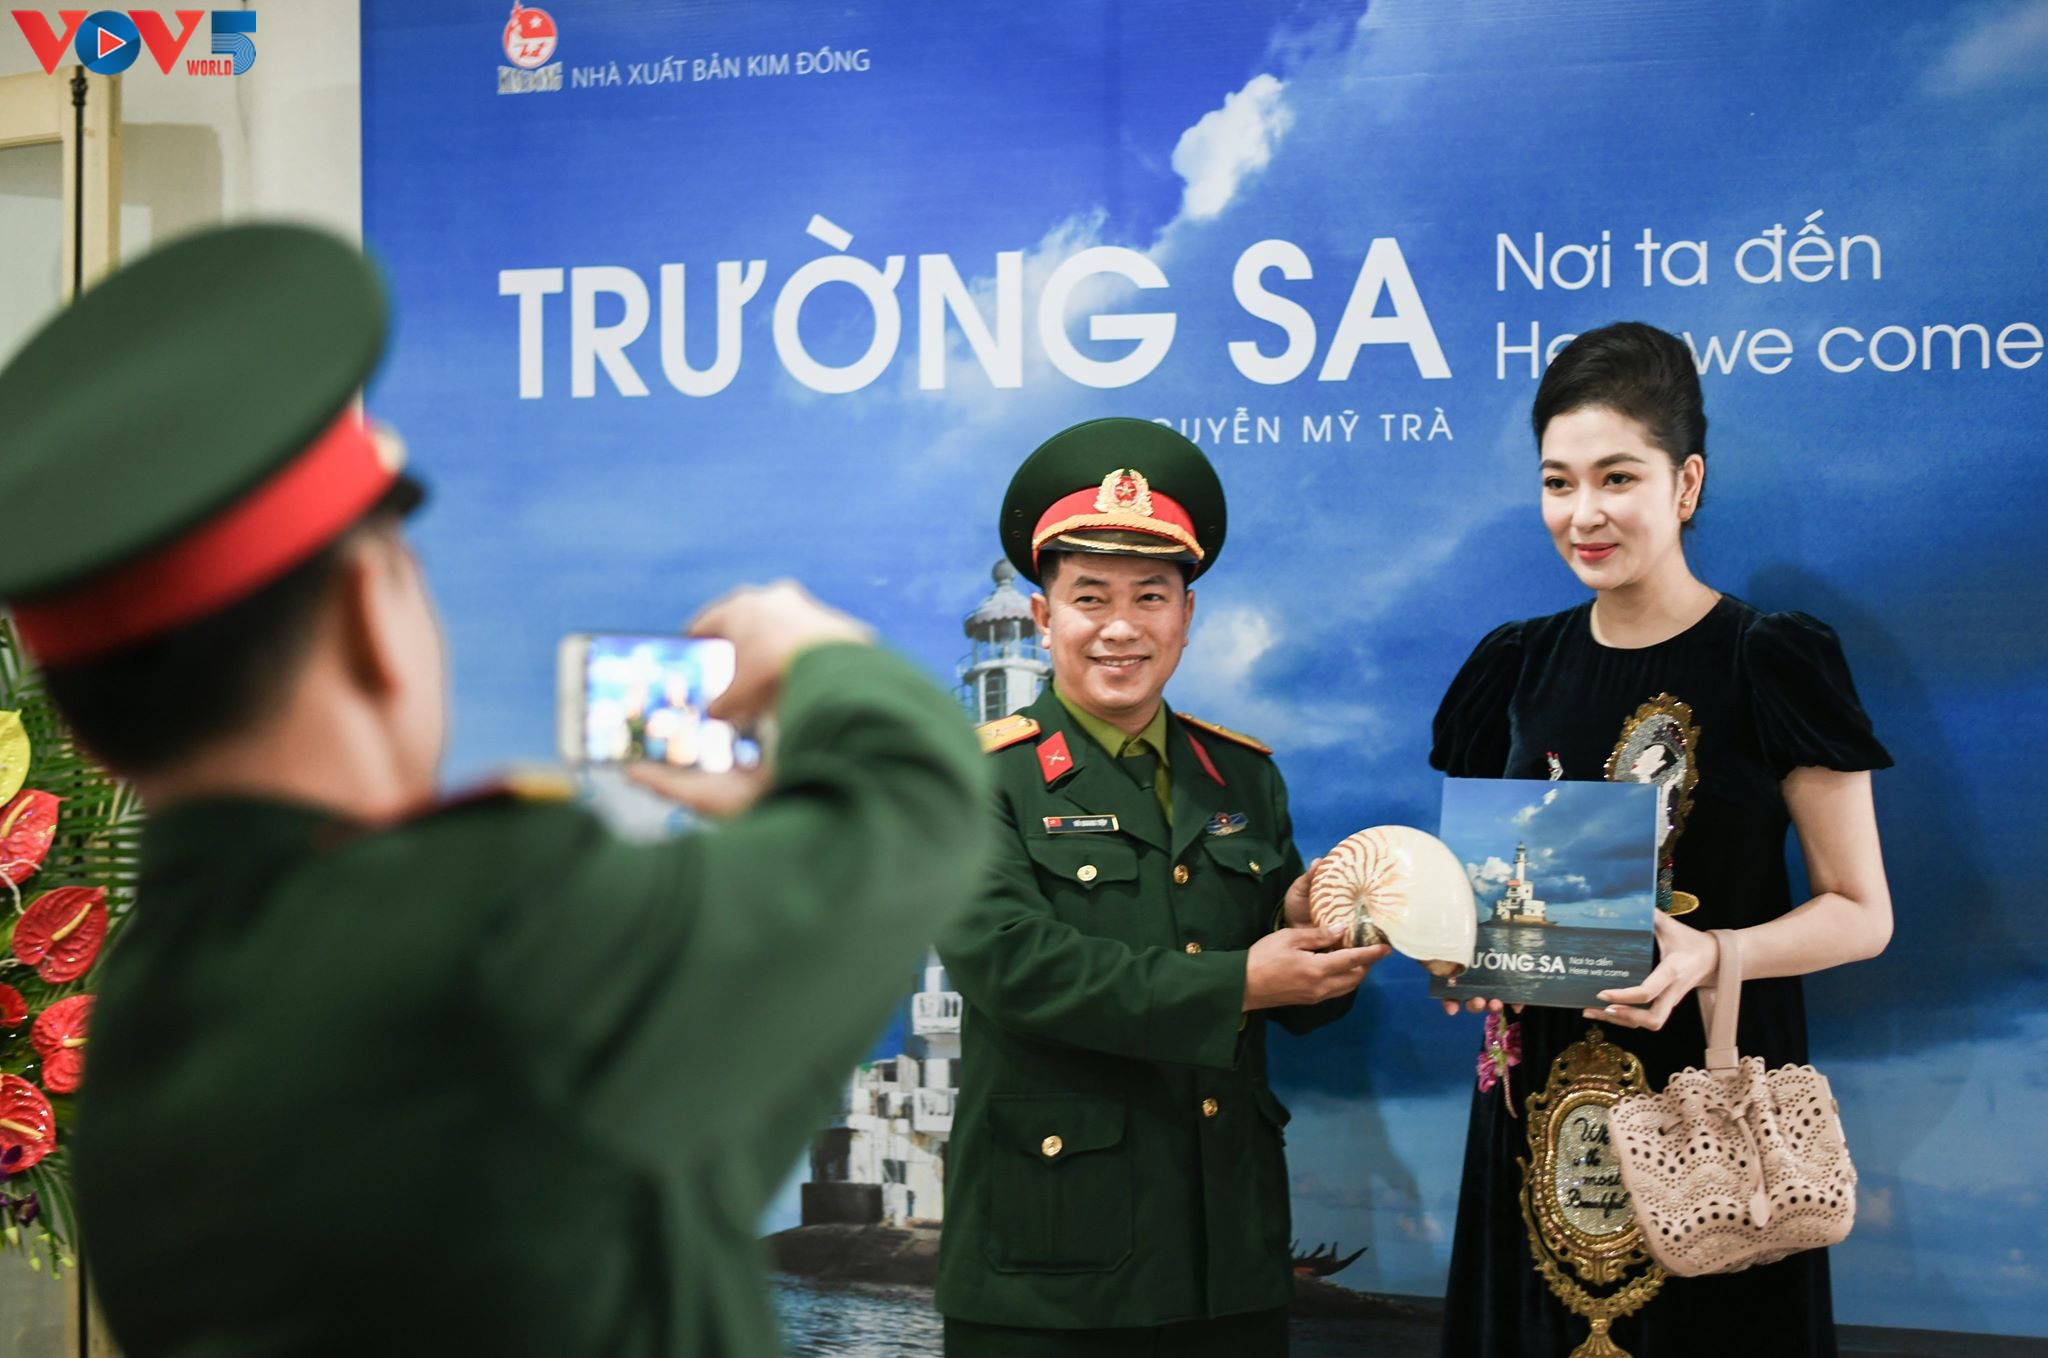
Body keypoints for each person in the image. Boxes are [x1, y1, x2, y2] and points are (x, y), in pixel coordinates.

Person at [0, 224, 990, 1356]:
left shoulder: (140, 1029)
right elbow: (916, 801)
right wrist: (819, 655)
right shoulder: (502, 923)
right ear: (371, 615)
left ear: (85, 722)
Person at [1431, 322, 1894, 1356]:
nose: (1582, 513)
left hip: (1713, 1117)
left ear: (1685, 483)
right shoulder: (1512, 668)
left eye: (1616, 477)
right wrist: (1456, 947)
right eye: (1557, 482)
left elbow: (1862, 914)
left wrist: (1713, 952)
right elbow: (1492, 894)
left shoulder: (1768, 658)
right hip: (1536, 1119)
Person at [935, 418, 1386, 1357]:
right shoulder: (970, 780)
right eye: (1089, 597)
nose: (1121, 627)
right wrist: (1242, 982)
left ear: (1187, 616)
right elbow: (1016, 968)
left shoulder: (1243, 776)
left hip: (1227, 1258)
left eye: (1151, 596)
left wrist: (1318, 927)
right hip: (1052, 1270)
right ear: (1041, 617)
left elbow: (1300, 1003)